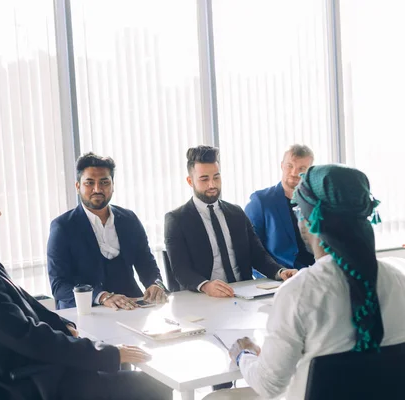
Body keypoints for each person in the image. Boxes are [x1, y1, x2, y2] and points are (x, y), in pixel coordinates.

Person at [0, 168, 172, 400]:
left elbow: (24, 305)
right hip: (38, 384)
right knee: (153, 386)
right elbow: (29, 338)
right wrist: (109, 354)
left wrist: (62, 325)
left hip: (34, 371)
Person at [210, 164, 405, 400]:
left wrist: (244, 355)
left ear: (310, 219)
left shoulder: (299, 293)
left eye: (298, 210)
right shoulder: (398, 281)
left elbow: (269, 385)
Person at [164, 146, 297, 298]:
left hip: (244, 293)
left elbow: (258, 255)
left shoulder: (236, 213)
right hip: (204, 297)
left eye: (216, 177)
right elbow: (180, 269)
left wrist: (280, 272)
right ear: (190, 181)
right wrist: (206, 286)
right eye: (204, 179)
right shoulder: (177, 219)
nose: (212, 185)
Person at [48, 152, 166, 310]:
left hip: (130, 307)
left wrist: (155, 284)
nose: (97, 189)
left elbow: (146, 263)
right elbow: (59, 285)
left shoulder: (129, 219)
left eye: (104, 182)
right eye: (89, 183)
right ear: (78, 187)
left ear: (113, 185)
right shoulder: (62, 227)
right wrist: (102, 297)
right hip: (85, 312)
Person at [245, 145, 315, 270]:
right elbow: (252, 250)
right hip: (280, 277)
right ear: (282, 165)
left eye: (302, 168)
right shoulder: (261, 201)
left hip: (316, 275)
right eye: (290, 166)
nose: (294, 173)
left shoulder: (317, 201)